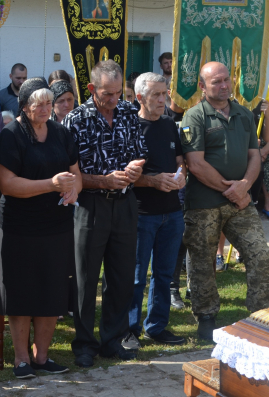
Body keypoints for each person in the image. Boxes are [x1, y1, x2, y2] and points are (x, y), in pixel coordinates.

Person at [62, 60, 146, 368]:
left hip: (124, 203)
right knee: (85, 278)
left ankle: (114, 338)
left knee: (122, 276)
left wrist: (136, 169)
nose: (113, 100)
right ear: (91, 88)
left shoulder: (127, 112)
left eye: (117, 93)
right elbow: (70, 172)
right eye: (107, 94)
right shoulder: (75, 119)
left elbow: (139, 150)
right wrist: (104, 180)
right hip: (89, 204)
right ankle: (84, 343)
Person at [0, 78, 81, 378]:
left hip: (57, 225)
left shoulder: (60, 132)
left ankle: (42, 358)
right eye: (38, 105)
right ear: (23, 107)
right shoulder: (11, 135)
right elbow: (7, 184)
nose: (45, 109)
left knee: (52, 291)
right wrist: (52, 185)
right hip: (21, 227)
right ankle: (22, 360)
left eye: (49, 103)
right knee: (22, 293)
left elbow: (75, 172)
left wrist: (73, 190)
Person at [181, 61, 269, 340]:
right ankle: (206, 317)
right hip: (204, 204)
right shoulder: (195, 116)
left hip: (240, 203)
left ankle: (260, 315)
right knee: (203, 261)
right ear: (202, 86)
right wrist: (229, 189)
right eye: (216, 81)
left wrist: (243, 187)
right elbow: (195, 163)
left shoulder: (244, 113)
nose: (223, 86)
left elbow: (254, 156)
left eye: (226, 80)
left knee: (260, 255)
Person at [126, 73, 186, 348]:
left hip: (172, 212)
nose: (163, 100)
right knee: (137, 275)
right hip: (141, 213)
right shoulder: (130, 127)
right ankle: (129, 329)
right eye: (156, 96)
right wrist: (152, 180)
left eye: (165, 94)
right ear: (140, 98)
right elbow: (120, 173)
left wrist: (182, 174)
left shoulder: (168, 124)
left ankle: (157, 326)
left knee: (164, 274)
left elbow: (179, 159)